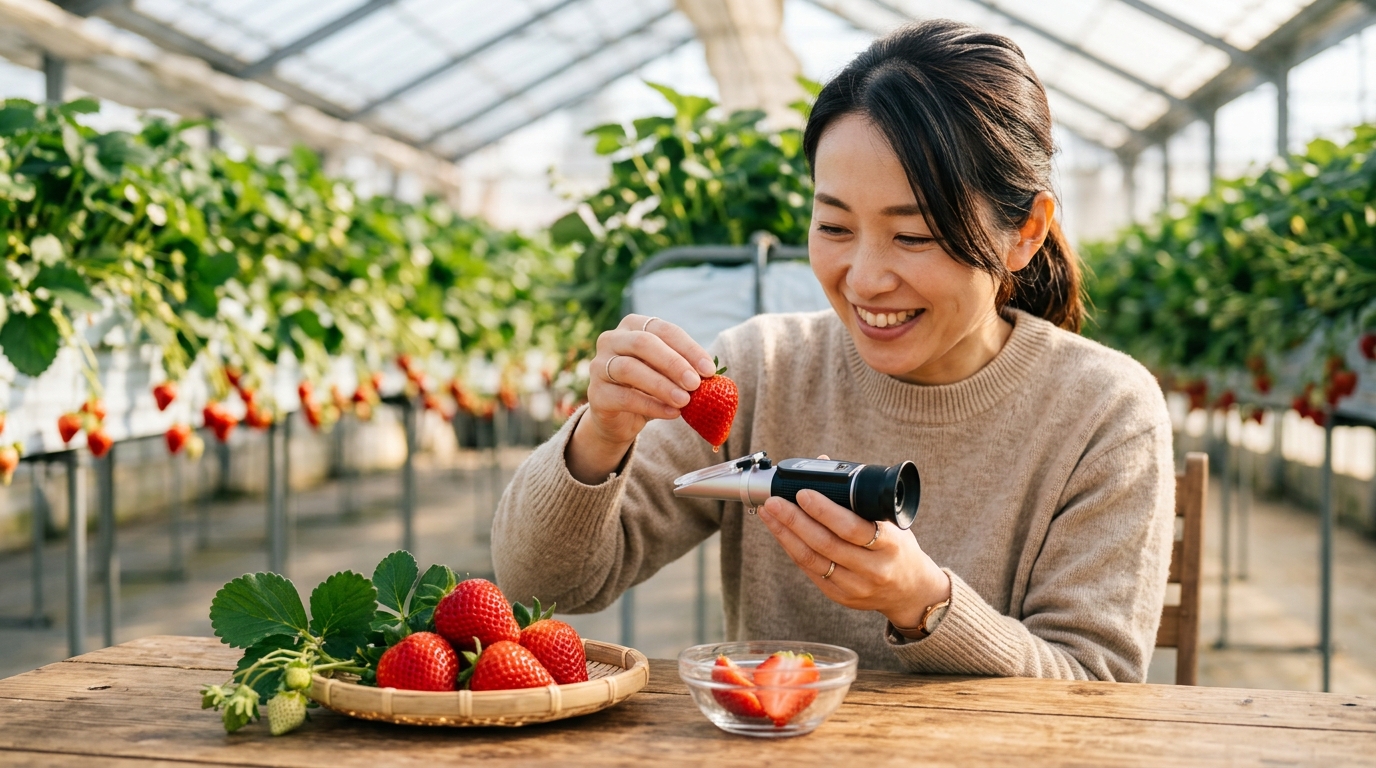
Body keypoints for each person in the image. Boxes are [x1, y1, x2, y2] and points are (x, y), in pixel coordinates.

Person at [492, 19, 1174, 680]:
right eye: (834, 225)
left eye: (914, 236)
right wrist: (600, 436)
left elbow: (1095, 684)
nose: (867, 278)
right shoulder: (765, 367)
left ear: (1025, 231)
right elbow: (549, 584)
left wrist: (921, 602)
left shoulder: (1105, 409)